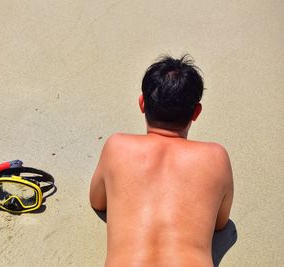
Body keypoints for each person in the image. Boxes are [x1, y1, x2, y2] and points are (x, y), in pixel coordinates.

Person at [89, 55, 236, 267]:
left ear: (142, 103)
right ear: (196, 112)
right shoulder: (216, 157)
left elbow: (97, 201)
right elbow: (220, 223)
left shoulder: (117, 146)